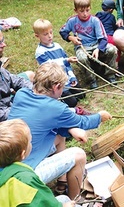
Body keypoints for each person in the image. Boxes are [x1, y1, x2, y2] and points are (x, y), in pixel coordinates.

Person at [8, 62, 113, 200]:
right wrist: (100, 116)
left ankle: (62, 181)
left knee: (59, 136)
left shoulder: (21, 94)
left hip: (7, 164)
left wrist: (69, 130)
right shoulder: (56, 108)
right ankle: (75, 200)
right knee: (79, 155)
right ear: (56, 87)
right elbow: (83, 122)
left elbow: (47, 123)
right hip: (24, 176)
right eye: (62, 88)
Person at [0, 119, 75, 207]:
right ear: (23, 154)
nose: (31, 144)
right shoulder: (26, 179)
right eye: (30, 142)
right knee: (65, 200)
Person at [59, 0, 118, 89]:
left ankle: (110, 74)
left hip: (96, 44)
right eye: (81, 11)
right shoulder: (72, 21)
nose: (85, 14)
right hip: (82, 47)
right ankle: (91, 79)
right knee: (81, 58)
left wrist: (99, 49)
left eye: (87, 10)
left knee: (112, 49)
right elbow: (62, 31)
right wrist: (71, 38)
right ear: (76, 11)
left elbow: (103, 38)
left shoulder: (95, 20)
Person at [34, 18, 85, 108]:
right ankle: (57, 99)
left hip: (67, 79)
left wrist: (72, 77)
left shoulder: (57, 46)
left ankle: (68, 94)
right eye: (46, 34)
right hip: (56, 83)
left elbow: (67, 65)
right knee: (72, 103)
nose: (50, 36)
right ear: (37, 36)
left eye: (51, 32)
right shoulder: (40, 52)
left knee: (82, 95)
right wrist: (66, 60)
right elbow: (51, 68)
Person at [0, 30, 34, 121]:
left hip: (7, 102)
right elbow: (2, 115)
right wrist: (27, 108)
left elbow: (16, 80)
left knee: (30, 75)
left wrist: (36, 92)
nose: (4, 45)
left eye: (2, 40)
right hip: (5, 116)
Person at [95, 0, 122, 72]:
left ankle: (101, 65)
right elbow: (114, 27)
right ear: (111, 10)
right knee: (117, 49)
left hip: (100, 37)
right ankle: (116, 66)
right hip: (109, 37)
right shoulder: (111, 17)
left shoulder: (97, 15)